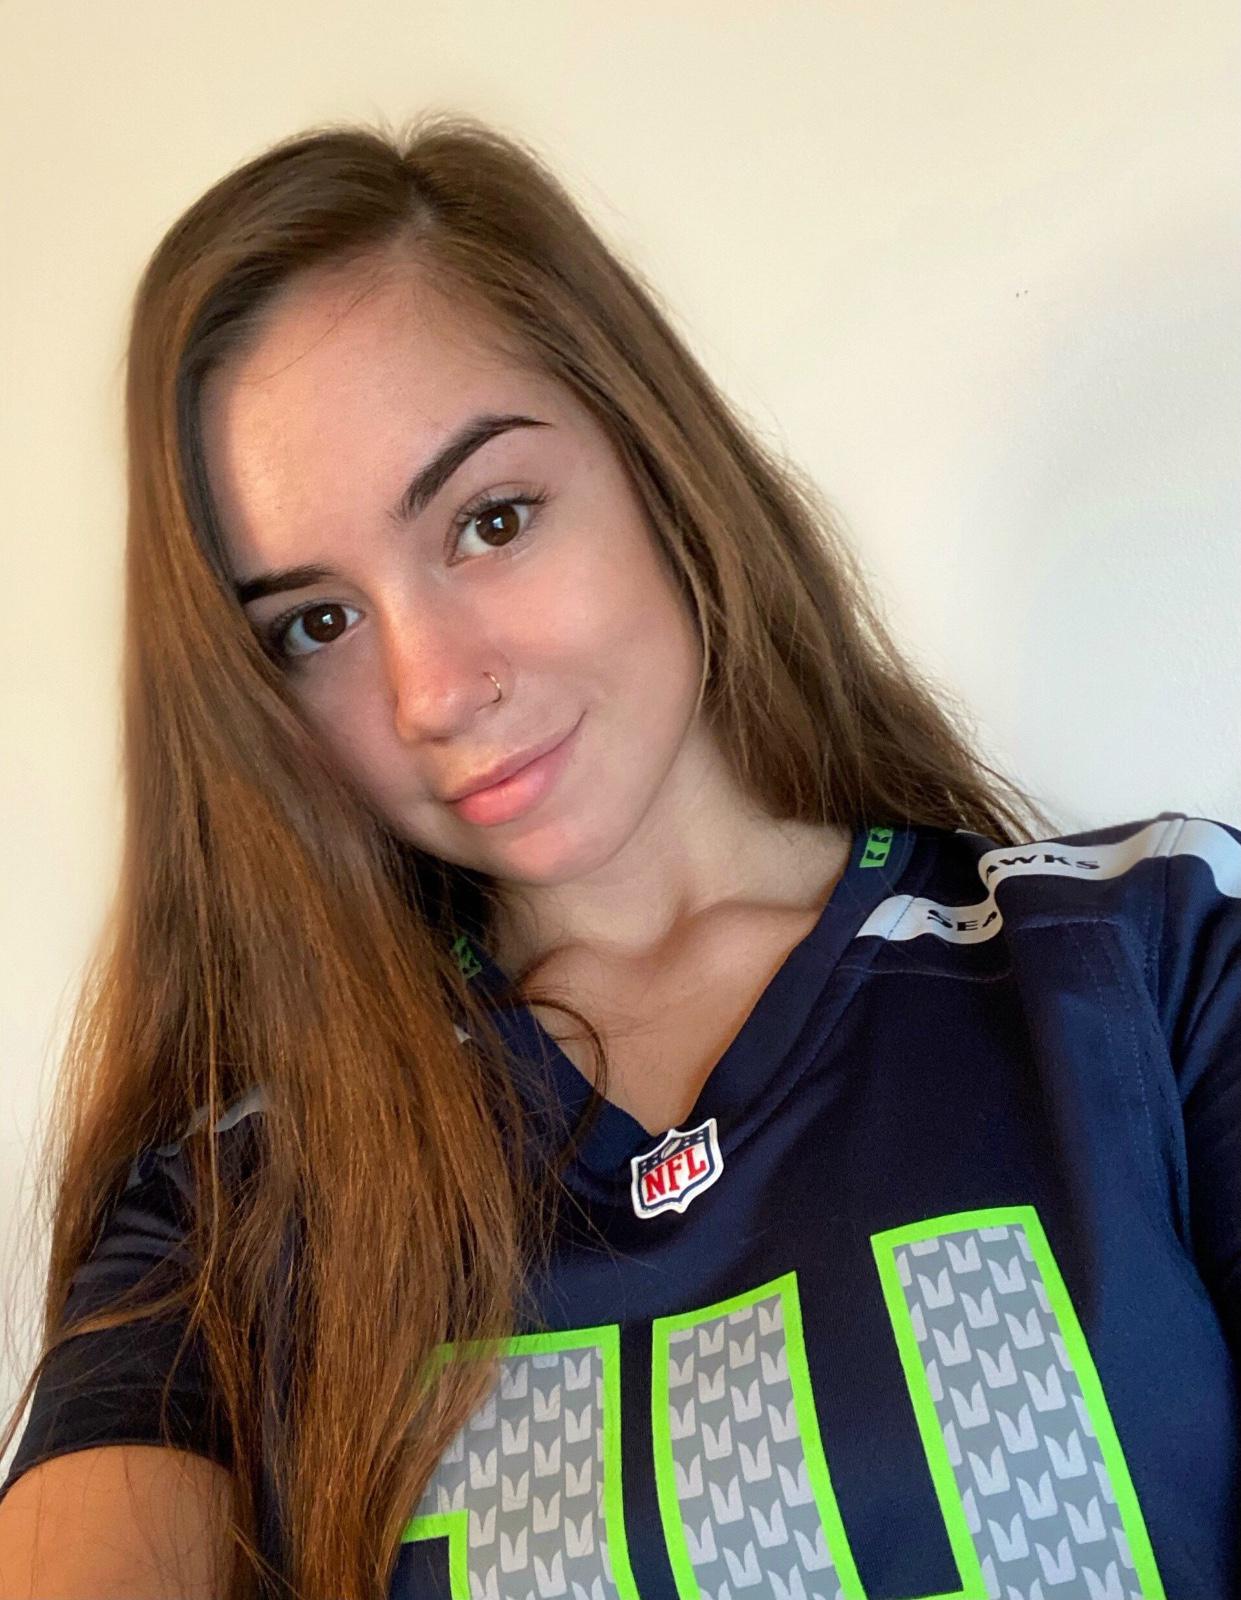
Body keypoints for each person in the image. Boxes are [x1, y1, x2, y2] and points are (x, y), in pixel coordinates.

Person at [0, 111, 1236, 1600]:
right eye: (317, 624)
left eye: (491, 521)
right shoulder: (233, 1202)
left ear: (653, 458)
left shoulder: (1150, 964)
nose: (433, 690)